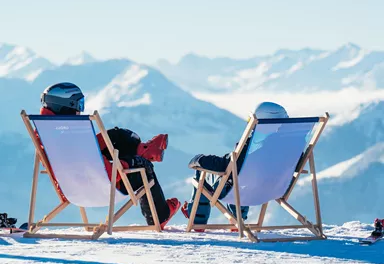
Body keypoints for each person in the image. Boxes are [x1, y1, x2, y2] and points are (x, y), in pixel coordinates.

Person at [40, 82, 180, 228]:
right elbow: (108, 174)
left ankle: (145, 148)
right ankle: (160, 214)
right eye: (78, 105)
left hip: (70, 187)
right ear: (66, 105)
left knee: (116, 136)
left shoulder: (47, 131)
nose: (79, 111)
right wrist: (129, 163)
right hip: (99, 188)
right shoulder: (75, 132)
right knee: (144, 167)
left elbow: (74, 160)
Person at [181, 102, 289, 231]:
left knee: (209, 175)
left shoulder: (252, 147)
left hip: (242, 190)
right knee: (241, 179)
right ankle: (237, 219)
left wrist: (201, 159)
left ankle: (197, 219)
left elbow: (227, 165)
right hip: (275, 189)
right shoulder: (291, 147)